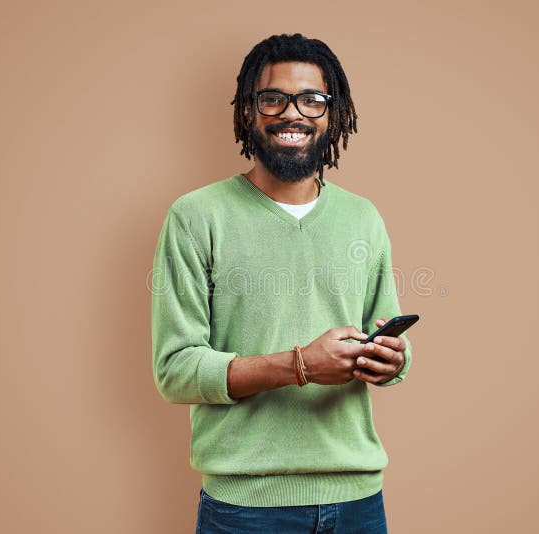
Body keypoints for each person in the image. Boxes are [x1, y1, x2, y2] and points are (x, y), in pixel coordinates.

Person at [151, 33, 413, 533]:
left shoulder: (363, 217)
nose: (292, 113)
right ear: (249, 112)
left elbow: (387, 335)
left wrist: (392, 359)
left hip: (359, 499)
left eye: (312, 99)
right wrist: (300, 365)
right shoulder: (195, 217)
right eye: (273, 98)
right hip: (246, 508)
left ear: (332, 114)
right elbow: (175, 369)